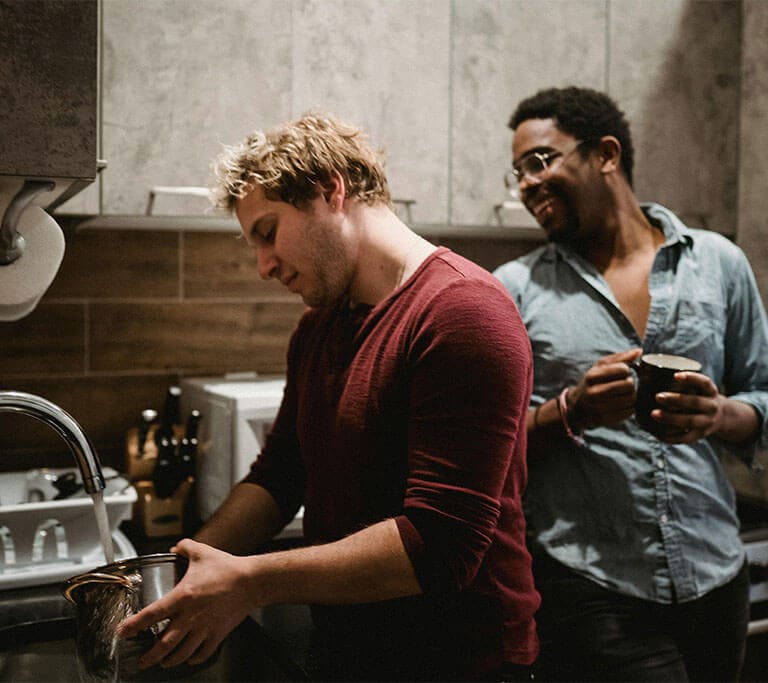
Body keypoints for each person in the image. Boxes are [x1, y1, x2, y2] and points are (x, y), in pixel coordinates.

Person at [119, 113, 540, 681]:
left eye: (267, 233)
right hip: (349, 648)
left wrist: (248, 581)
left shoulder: (463, 313)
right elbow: (280, 474)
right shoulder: (321, 326)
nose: (263, 266)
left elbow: (442, 545)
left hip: (462, 659)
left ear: (329, 189)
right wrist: (182, 569)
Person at [493, 85, 768, 682]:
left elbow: (762, 395)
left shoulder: (719, 263)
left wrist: (718, 415)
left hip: (717, 573)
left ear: (606, 154)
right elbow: (489, 445)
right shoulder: (511, 291)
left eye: (540, 160)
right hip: (590, 584)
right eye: (518, 172)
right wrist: (571, 409)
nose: (526, 184)